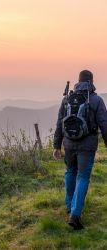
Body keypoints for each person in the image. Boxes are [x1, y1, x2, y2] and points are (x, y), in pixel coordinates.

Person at [53, 70, 107, 230]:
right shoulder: (96, 100)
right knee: (83, 177)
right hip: (87, 145)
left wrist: (56, 146)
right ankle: (75, 215)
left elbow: (59, 124)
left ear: (78, 81)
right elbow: (104, 125)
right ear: (91, 81)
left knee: (70, 172)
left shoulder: (67, 99)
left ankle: (70, 206)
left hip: (68, 143)